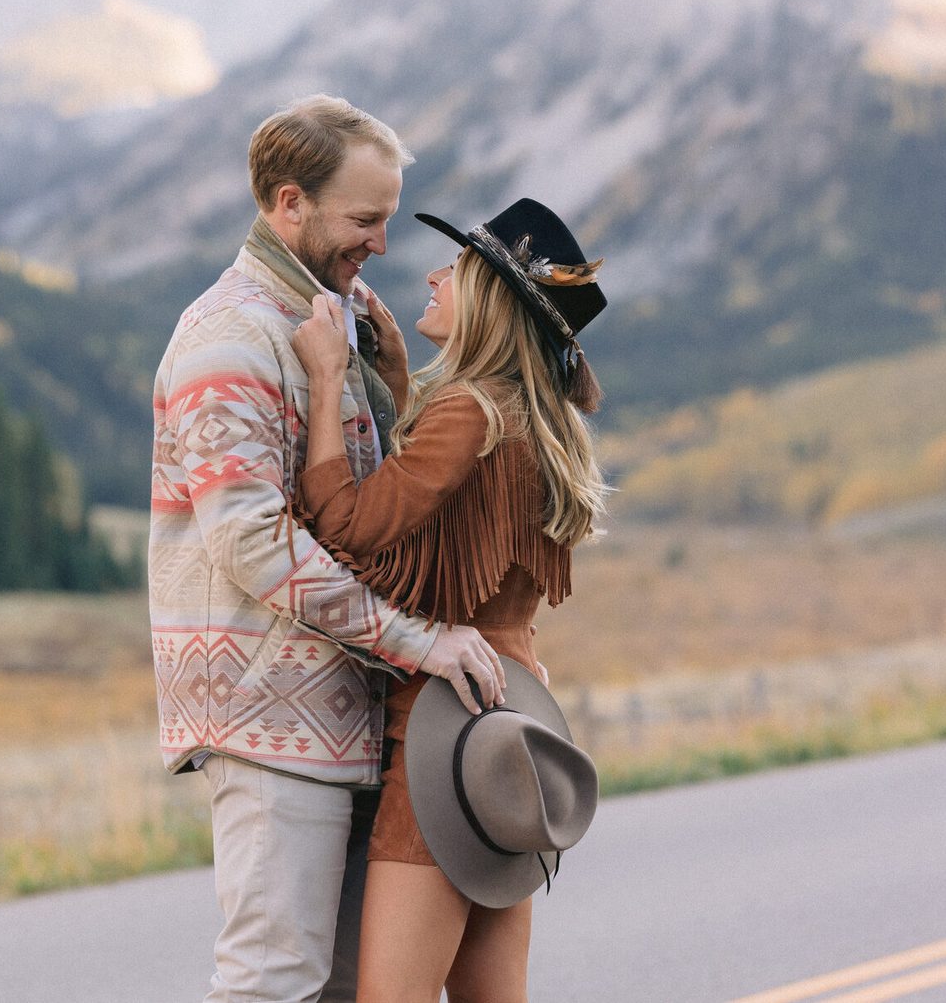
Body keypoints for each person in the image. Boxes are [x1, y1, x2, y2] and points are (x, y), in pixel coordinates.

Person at [149, 94, 508, 1003]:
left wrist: (388, 381)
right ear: (287, 202)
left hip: (347, 708)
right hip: (271, 715)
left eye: (387, 218)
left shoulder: (326, 317)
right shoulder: (230, 336)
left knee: (348, 991)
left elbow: (367, 510)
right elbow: (254, 547)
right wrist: (422, 641)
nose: (382, 244)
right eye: (365, 219)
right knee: (273, 985)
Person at [289, 197, 609, 1003]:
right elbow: (454, 527)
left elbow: (353, 529)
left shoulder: (469, 411)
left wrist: (329, 380)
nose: (432, 274)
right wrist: (399, 383)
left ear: (493, 303)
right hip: (512, 730)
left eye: (457, 269)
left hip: (442, 732)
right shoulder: (536, 420)